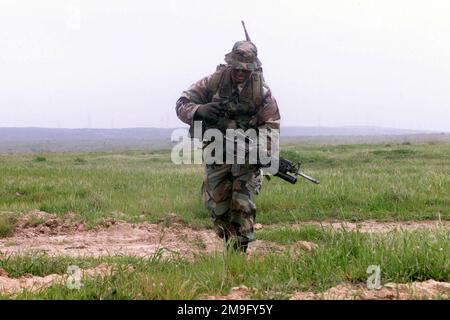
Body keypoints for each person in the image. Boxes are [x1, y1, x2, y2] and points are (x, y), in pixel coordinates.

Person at [175, 39, 280, 252]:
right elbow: (181, 104)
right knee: (218, 207)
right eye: (237, 67)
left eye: (246, 69)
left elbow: (271, 124)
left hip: (247, 156)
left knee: (242, 205)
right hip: (217, 152)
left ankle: (239, 253)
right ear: (230, 63)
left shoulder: (262, 92)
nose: (241, 72)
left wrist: (263, 151)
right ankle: (229, 242)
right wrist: (199, 111)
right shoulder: (212, 83)